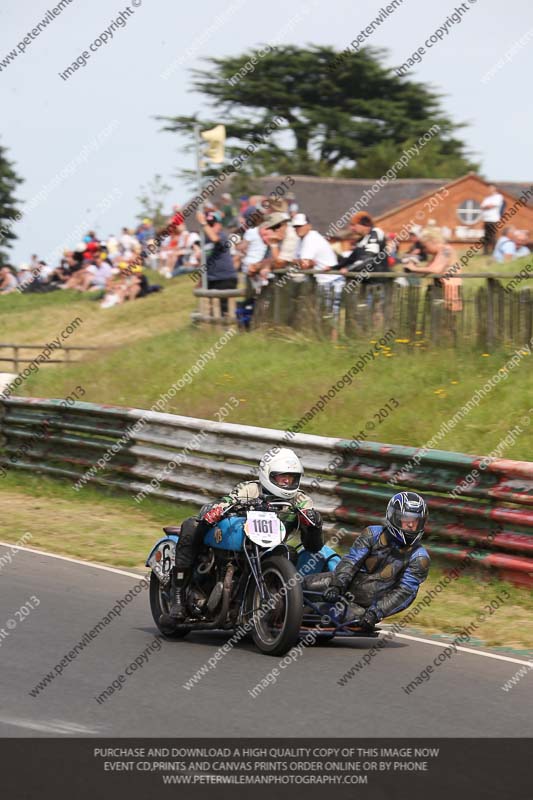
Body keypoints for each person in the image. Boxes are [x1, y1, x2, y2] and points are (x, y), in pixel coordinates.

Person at [160, 448, 324, 625]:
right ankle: (178, 597)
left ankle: (269, 603)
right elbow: (227, 501)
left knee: (291, 552)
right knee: (191, 525)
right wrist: (216, 509)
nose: (286, 481)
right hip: (244, 541)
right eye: (281, 476)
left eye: (292, 478)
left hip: (272, 549)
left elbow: (313, 547)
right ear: (267, 474)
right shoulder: (250, 489)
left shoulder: (301, 501)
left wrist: (315, 526)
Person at [305, 492, 430, 630]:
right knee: (296, 587)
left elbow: (404, 592)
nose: (412, 525)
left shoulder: (419, 558)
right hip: (339, 583)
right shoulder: (372, 534)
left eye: (416, 520)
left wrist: (375, 613)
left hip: (362, 607)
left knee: (313, 615)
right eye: (407, 519)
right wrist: (336, 586)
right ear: (394, 516)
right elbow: (351, 561)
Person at [404, 229, 463, 311]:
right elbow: (428, 270)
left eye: (425, 246)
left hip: (450, 289)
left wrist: (413, 268)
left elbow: (435, 269)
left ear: (433, 241)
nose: (425, 250)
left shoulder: (446, 250)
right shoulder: (438, 253)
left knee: (449, 315)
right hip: (443, 287)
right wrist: (414, 269)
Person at [196, 209, 238, 315]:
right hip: (211, 279)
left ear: (219, 224)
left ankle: (234, 328)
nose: (210, 227)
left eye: (212, 224)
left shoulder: (222, 236)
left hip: (224, 278)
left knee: (225, 310)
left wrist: (203, 223)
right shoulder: (204, 240)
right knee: (212, 310)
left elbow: (215, 239)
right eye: (209, 224)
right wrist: (201, 278)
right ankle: (214, 330)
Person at [337, 212, 389, 283]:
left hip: (378, 282)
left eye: (354, 225)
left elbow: (369, 258)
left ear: (363, 224)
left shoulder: (376, 233)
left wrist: (348, 269)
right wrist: (333, 267)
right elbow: (351, 259)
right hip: (367, 282)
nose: (351, 228)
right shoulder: (362, 240)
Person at [480, 184, 504, 255]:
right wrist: (487, 206)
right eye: (489, 188)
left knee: (493, 236)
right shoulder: (487, 198)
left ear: (495, 189)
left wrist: (487, 206)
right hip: (486, 219)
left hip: (493, 219)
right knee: (486, 236)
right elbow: (482, 206)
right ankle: (485, 252)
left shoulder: (498, 197)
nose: (489, 190)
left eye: (491, 188)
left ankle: (494, 251)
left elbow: (491, 206)